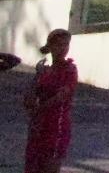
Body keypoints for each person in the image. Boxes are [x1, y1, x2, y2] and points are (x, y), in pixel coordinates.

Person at [23, 28, 77, 173]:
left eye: (66, 45)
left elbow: (61, 97)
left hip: (56, 126)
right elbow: (28, 100)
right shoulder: (45, 72)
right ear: (51, 47)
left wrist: (38, 109)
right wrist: (37, 77)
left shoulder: (69, 70)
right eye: (59, 45)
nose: (63, 49)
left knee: (50, 166)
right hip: (38, 126)